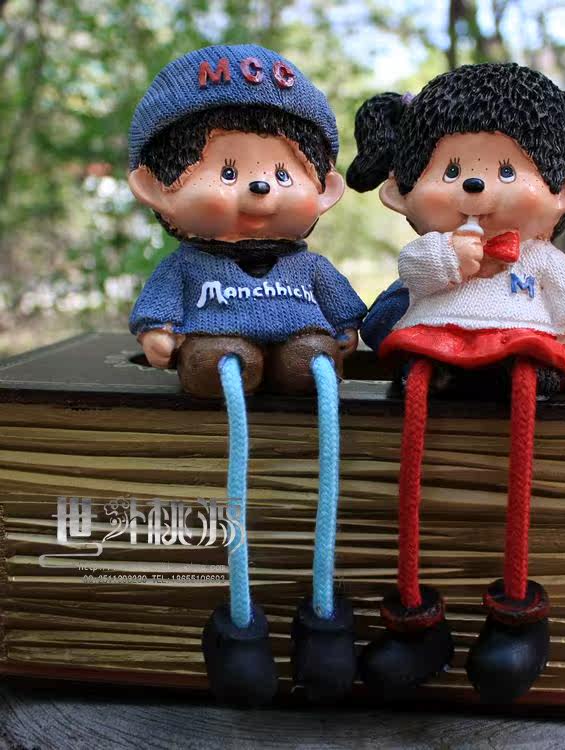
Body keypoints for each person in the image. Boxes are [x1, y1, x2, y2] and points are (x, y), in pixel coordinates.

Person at [347, 64, 565, 702]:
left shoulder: (542, 258)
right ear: (400, 194)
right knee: (415, 404)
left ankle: (516, 611)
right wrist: (449, 258)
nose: (475, 186)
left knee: (525, 395)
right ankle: (414, 614)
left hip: (520, 347)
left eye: (507, 170)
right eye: (451, 171)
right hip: (433, 341)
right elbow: (414, 271)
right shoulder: (430, 251)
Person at [128, 44, 367, 705]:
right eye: (228, 170)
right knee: (225, 365)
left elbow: (342, 304)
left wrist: (346, 329)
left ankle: (324, 617)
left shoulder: (306, 267)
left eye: (283, 173)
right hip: (220, 346)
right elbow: (159, 303)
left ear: (324, 191)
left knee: (312, 363)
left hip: (303, 344)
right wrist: (159, 330)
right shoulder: (188, 265)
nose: (260, 189)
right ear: (156, 187)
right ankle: (240, 623)